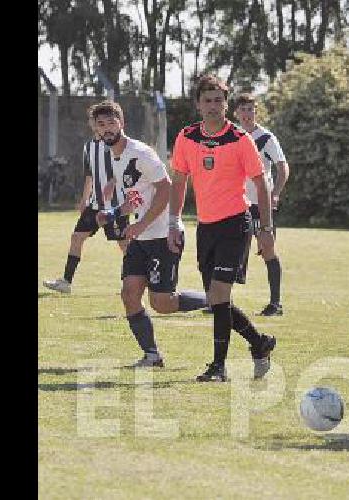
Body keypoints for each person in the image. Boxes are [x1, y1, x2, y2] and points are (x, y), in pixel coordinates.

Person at [84, 101, 213, 367]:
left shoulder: (140, 153)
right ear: (95, 130)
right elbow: (137, 198)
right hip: (140, 239)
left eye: (111, 123)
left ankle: (215, 299)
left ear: (121, 123)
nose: (106, 129)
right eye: (101, 125)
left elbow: (167, 188)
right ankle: (152, 355)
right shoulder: (114, 156)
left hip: (163, 236)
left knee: (162, 303)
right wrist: (113, 213)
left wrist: (140, 226)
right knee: (129, 294)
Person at [168, 74, 278, 382]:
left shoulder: (240, 139)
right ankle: (259, 343)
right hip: (205, 227)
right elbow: (179, 180)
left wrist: (265, 228)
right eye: (208, 100)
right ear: (198, 105)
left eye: (219, 100)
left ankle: (219, 367)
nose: (214, 106)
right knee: (217, 300)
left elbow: (261, 182)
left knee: (218, 293)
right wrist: (173, 221)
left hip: (235, 224)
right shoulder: (186, 137)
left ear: (226, 104)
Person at [202, 93, 290, 316]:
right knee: (227, 251)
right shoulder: (231, 136)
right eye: (243, 109)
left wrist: (275, 194)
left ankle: (275, 303)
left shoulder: (265, 138)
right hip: (235, 204)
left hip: (259, 204)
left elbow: (283, 168)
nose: (247, 114)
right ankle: (221, 303)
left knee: (267, 249)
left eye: (251, 109)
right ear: (236, 112)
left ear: (255, 112)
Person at [43, 107, 129, 293]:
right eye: (95, 122)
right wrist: (84, 200)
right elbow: (89, 175)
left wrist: (114, 182)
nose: (96, 125)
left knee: (124, 244)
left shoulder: (116, 144)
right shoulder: (89, 147)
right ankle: (66, 282)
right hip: (94, 205)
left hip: (115, 206)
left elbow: (124, 170)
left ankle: (133, 281)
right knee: (77, 237)